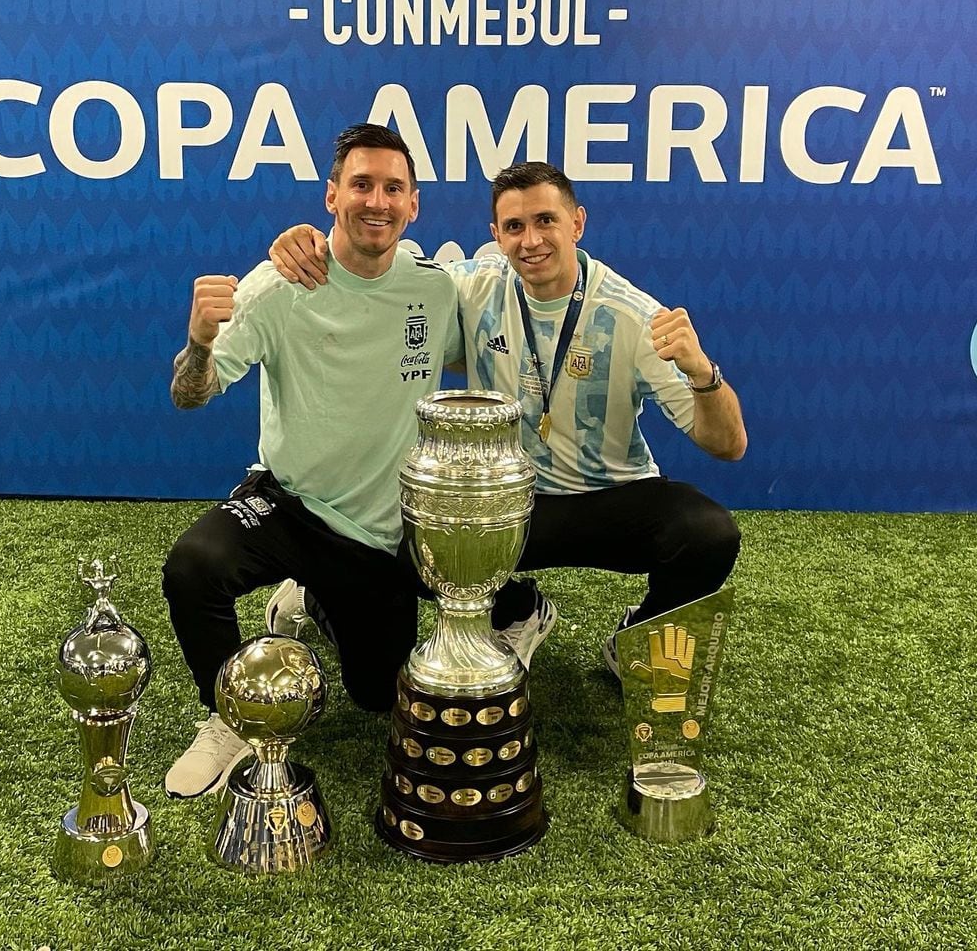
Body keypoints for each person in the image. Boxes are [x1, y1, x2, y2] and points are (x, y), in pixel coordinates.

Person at [268, 161, 746, 678]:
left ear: (577, 224)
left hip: (609, 498)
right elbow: (378, 267)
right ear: (496, 235)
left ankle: (634, 640)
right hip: (506, 499)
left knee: (708, 533)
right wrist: (311, 243)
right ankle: (515, 608)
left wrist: (703, 374)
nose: (531, 240)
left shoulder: (632, 316)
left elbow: (728, 444)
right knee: (398, 544)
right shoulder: (471, 286)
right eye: (514, 227)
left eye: (546, 221)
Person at [161, 123, 463, 799]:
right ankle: (228, 718)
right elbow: (192, 393)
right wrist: (200, 342)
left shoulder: (436, 290)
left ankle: (311, 601)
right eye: (361, 184)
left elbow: (504, 313)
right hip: (287, 504)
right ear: (332, 195)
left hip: (373, 535)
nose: (376, 201)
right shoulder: (280, 284)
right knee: (193, 567)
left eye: (392, 188)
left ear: (414, 205)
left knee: (379, 694)